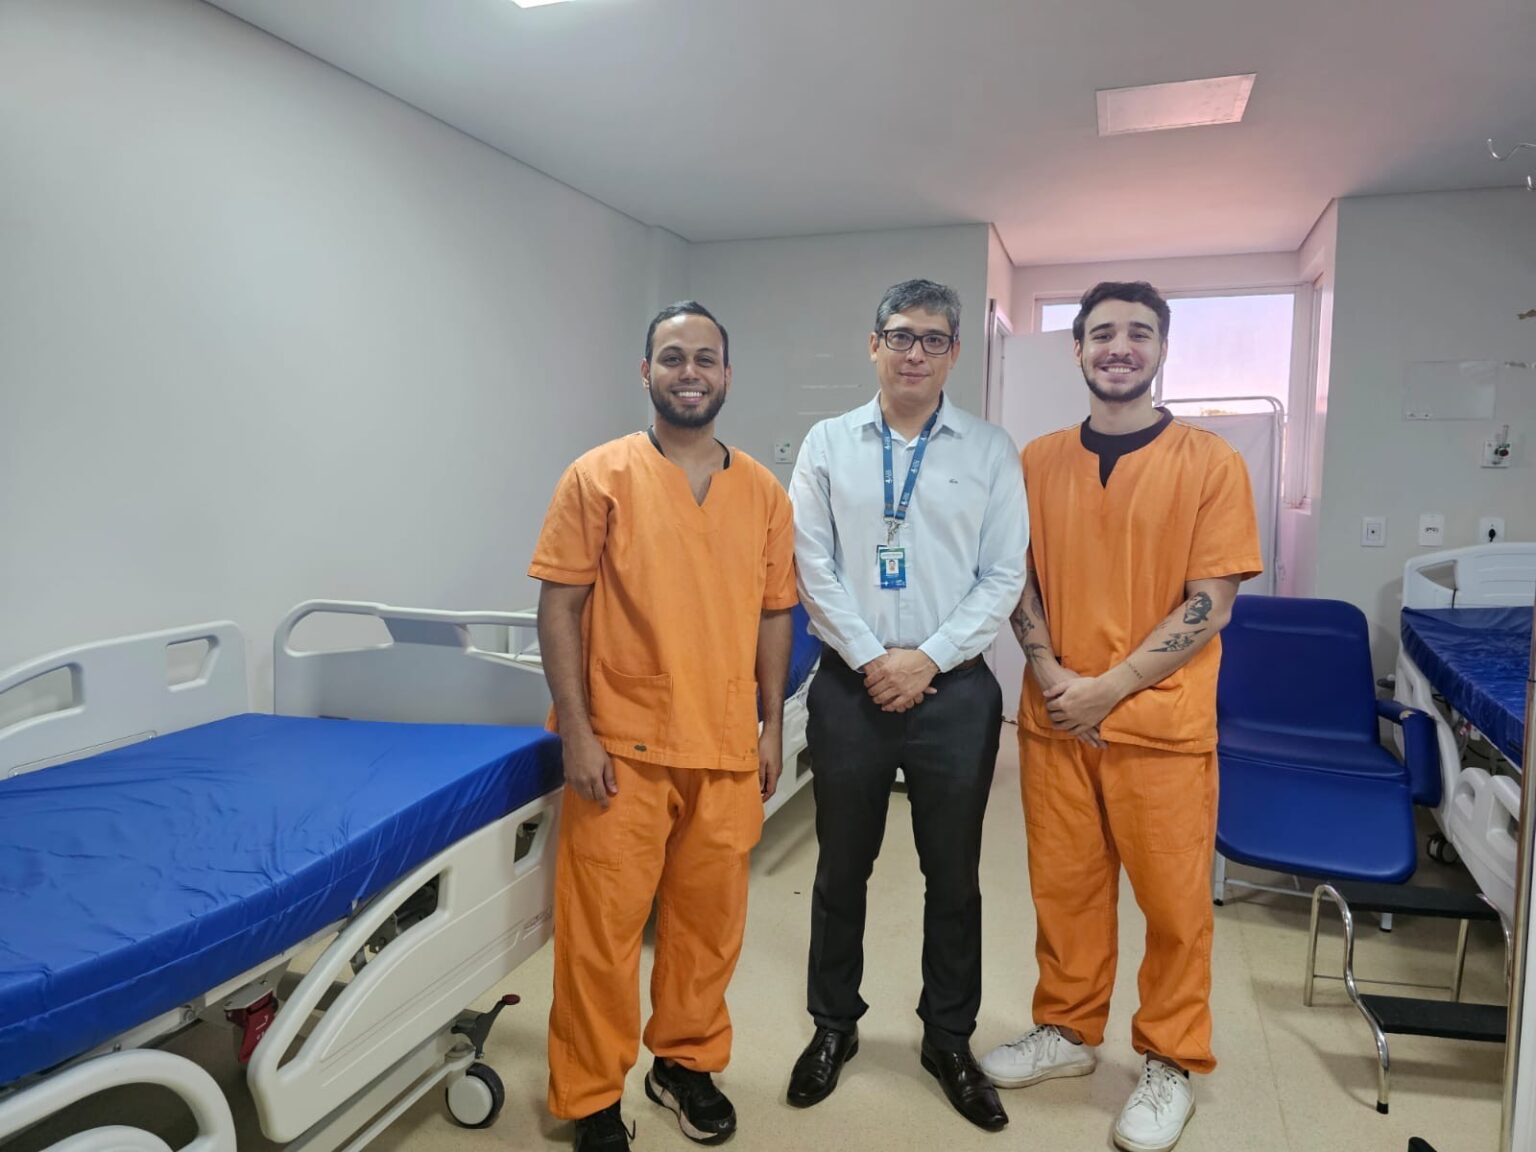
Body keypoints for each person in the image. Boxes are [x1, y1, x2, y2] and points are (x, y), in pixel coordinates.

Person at [981, 281, 1262, 1152]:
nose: (1119, 347)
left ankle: (1171, 1059)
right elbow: (1017, 581)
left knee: (1174, 907)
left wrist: (1108, 688)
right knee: (1064, 889)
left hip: (1161, 727)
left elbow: (1210, 603)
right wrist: (1052, 675)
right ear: (1077, 349)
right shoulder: (1037, 461)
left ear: (1162, 348)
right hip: (1057, 718)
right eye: (1101, 332)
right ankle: (1067, 1030)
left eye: (1139, 332)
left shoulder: (1210, 463)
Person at [530, 302, 796, 1152]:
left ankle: (684, 1064)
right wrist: (577, 732)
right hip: (622, 747)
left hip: (724, 744)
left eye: (705, 358)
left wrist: (771, 725)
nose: (690, 372)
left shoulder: (763, 493)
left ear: (727, 375)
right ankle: (589, 1097)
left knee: (707, 931)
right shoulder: (598, 476)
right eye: (672, 357)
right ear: (646, 372)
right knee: (600, 938)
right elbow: (560, 607)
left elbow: (775, 613)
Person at [785, 278, 1028, 1132]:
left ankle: (949, 1039)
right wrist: (871, 658)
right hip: (850, 690)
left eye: (931, 339)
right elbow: (810, 563)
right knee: (840, 869)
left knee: (953, 876)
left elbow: (1004, 574)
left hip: (954, 692)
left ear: (955, 352)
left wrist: (926, 658)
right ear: (874, 345)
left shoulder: (990, 450)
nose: (914, 352)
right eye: (899, 335)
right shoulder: (827, 443)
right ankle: (833, 1026)